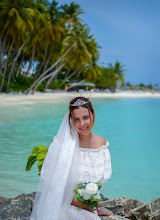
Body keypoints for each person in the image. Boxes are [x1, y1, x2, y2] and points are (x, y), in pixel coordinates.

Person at [30, 96, 112, 220]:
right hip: (64, 207)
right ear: (70, 120)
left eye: (85, 117)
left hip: (87, 208)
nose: (82, 124)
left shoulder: (101, 143)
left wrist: (93, 207)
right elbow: (53, 188)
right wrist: (85, 207)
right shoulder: (63, 146)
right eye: (76, 119)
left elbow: (97, 185)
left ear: (93, 114)